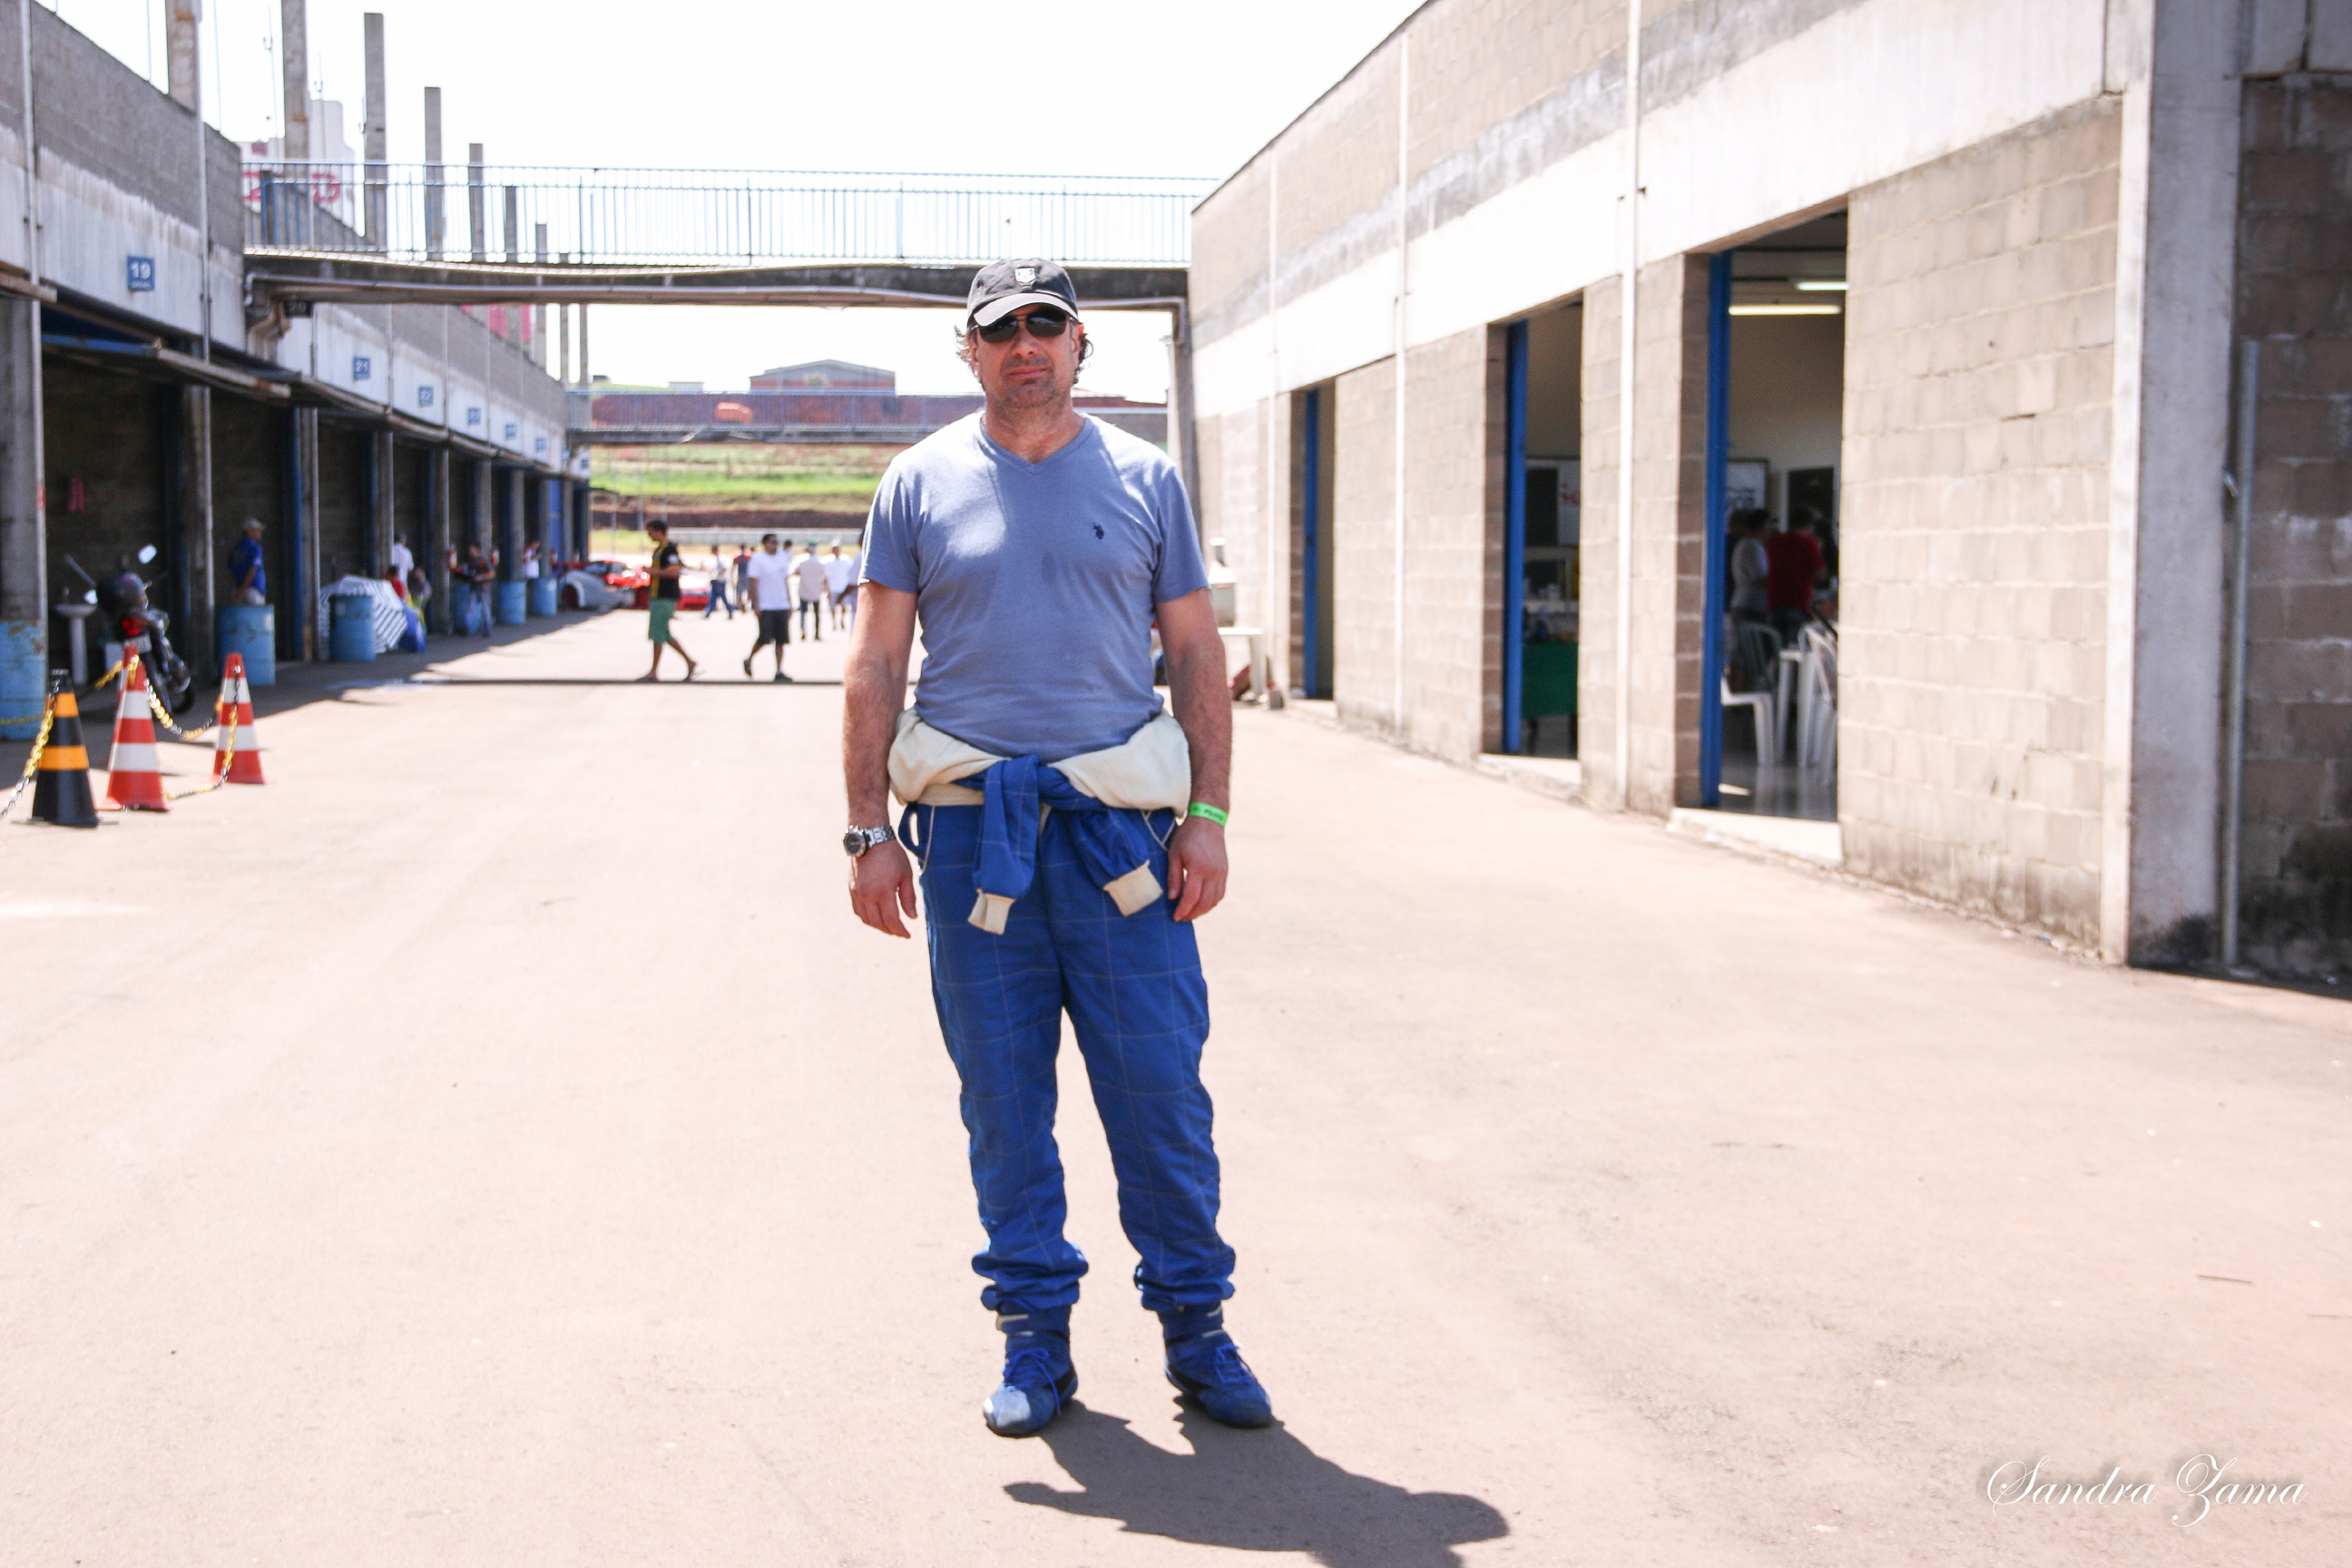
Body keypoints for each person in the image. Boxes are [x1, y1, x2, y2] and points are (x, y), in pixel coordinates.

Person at [843, 257, 1265, 1440]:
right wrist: (869, 832)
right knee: (1005, 1104)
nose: (1026, 344)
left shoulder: (1143, 480)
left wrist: (1211, 818)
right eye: (1002, 329)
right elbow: (876, 663)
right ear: (970, 352)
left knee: (1161, 1099)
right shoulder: (918, 484)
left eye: (1048, 325)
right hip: (979, 847)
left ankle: (1199, 1331)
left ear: (1080, 347)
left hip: (1122, 841)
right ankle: (1035, 1341)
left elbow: (1193, 658)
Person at [641, 519, 698, 681]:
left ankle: (654, 671)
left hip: (664, 596)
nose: (649, 535)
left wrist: (651, 571)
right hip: (658, 595)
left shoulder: (669, 549)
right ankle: (689, 661)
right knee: (663, 634)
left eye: (650, 531)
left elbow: (673, 572)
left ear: (658, 531)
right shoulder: (661, 549)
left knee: (658, 633)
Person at [1764, 512, 1828, 642]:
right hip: (1798, 602)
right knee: (1795, 647)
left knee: (1777, 646)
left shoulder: (1775, 542)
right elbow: (1820, 573)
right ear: (1810, 526)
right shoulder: (1808, 544)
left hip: (1774, 602)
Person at [740, 532, 795, 682]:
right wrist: (755, 604)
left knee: (781, 640)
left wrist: (790, 603)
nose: (774, 545)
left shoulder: (782, 558)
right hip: (766, 605)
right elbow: (753, 583)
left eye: (776, 542)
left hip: (781, 603)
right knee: (765, 638)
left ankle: (778, 670)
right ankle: (749, 659)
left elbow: (785, 582)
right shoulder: (758, 560)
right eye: (771, 542)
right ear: (765, 544)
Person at [1728, 508, 1769, 622]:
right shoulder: (1752, 546)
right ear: (1762, 528)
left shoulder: (1744, 544)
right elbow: (1761, 579)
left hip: (1744, 604)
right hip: (1750, 606)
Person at [793, 541, 829, 640]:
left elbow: (795, 572)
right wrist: (827, 590)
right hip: (816, 590)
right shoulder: (820, 561)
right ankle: (817, 633)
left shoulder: (800, 560)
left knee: (803, 613)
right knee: (816, 614)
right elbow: (825, 578)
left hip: (804, 589)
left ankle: (803, 631)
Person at [229, 518, 267, 606]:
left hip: (237, 589)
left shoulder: (236, 548)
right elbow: (252, 569)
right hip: (253, 590)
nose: (259, 532)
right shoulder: (255, 548)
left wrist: (239, 590)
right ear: (249, 531)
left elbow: (231, 569)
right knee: (256, 617)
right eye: (257, 530)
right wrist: (243, 589)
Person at [823, 544, 855, 631]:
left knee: (844, 606)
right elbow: (826, 577)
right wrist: (827, 590)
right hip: (833, 588)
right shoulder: (827, 561)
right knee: (832, 607)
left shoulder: (846, 560)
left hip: (843, 587)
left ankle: (842, 620)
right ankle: (834, 622)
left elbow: (850, 573)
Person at [701, 550, 736, 619]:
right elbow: (713, 569)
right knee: (713, 597)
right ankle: (708, 612)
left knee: (722, 597)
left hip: (720, 581)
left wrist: (717, 574)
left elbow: (725, 568)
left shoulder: (721, 559)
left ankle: (730, 610)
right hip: (715, 580)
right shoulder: (714, 559)